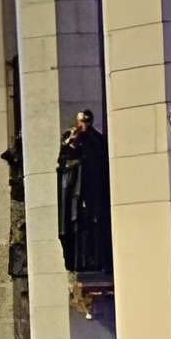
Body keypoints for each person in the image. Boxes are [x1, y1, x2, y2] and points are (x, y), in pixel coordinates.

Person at [56, 109, 112, 275]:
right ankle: (77, 261)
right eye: (82, 121)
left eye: (87, 121)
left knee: (93, 224)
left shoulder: (97, 140)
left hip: (93, 190)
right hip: (74, 190)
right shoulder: (69, 137)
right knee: (74, 225)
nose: (84, 125)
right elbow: (63, 162)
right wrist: (71, 143)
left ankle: (95, 260)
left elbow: (101, 164)